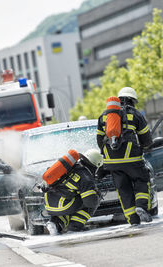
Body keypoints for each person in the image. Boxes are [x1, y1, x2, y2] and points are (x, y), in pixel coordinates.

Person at [97, 87, 153, 226]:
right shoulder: (135, 115)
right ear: (133, 100)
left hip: (112, 162)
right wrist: (145, 147)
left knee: (123, 190)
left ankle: (133, 220)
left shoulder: (104, 116)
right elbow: (146, 138)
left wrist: (107, 156)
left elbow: (99, 140)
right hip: (132, 159)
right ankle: (140, 206)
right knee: (141, 179)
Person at [43, 149, 103, 234]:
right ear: (95, 165)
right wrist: (97, 195)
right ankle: (75, 226)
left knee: (71, 200)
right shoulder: (86, 177)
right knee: (90, 202)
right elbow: (90, 202)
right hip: (63, 205)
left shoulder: (71, 167)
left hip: (48, 204)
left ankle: (55, 224)